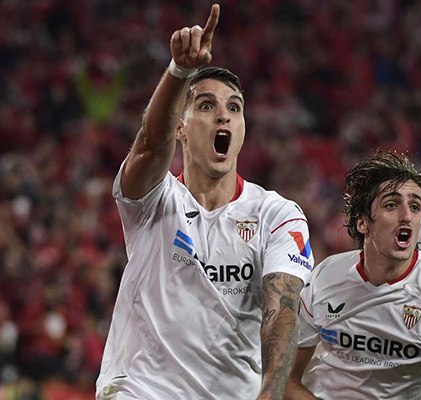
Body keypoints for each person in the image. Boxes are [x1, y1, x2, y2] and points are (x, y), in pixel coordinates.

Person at [96, 4, 313, 399]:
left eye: (234, 108)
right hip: (142, 389)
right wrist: (179, 72)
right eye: (207, 106)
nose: (223, 117)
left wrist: (270, 394)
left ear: (243, 128)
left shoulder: (278, 215)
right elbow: (151, 144)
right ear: (180, 127)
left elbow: (281, 313)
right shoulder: (153, 199)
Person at [284, 150, 421, 399]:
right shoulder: (325, 277)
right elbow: (284, 378)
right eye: (392, 205)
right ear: (362, 222)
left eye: (415, 206)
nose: (407, 216)